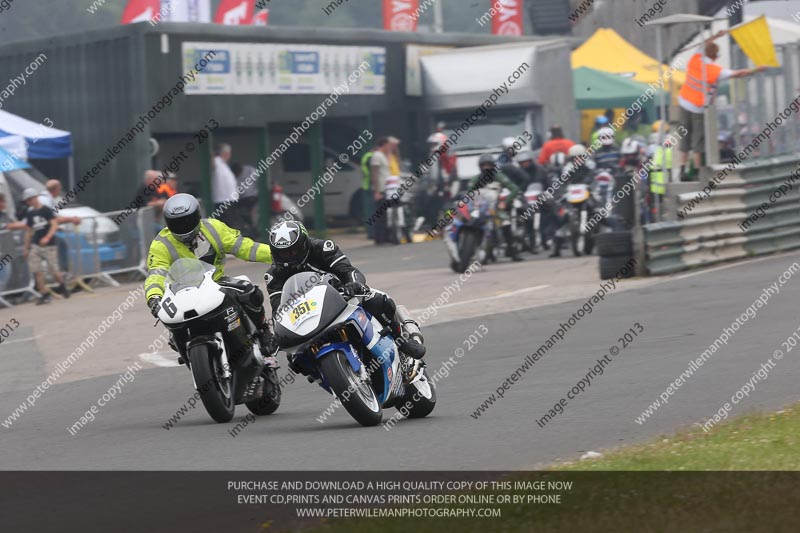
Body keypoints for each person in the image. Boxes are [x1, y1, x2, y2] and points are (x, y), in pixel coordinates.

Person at [265, 220, 426, 367]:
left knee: (379, 301)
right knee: (295, 359)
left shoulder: (322, 248)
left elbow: (348, 270)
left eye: (292, 252)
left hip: (341, 296)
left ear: (304, 245)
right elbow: (279, 308)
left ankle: (401, 341)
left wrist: (354, 285)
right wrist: (277, 335)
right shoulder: (273, 276)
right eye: (282, 253)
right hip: (307, 315)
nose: (287, 257)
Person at [144, 193, 275, 363]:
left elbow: (245, 247)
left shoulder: (213, 228)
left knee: (249, 291)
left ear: (198, 216)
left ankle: (263, 331)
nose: (183, 227)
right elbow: (156, 275)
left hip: (217, 282)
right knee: (171, 324)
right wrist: (154, 298)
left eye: (187, 221)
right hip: (181, 293)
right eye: (177, 223)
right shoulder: (161, 244)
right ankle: (185, 346)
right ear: (168, 223)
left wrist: (278, 253)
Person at [678, 34, 765, 179]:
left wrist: (716, 35)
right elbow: (739, 73)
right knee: (698, 142)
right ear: (715, 56)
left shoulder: (695, 58)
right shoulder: (716, 70)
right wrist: (757, 69)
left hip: (684, 102)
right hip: (698, 108)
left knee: (684, 139)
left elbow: (703, 44)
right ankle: (698, 173)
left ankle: (682, 170)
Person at [469, 154, 523, 262]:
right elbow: (469, 194)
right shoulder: (475, 179)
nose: (486, 168)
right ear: (480, 167)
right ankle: (478, 252)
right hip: (481, 209)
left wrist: (505, 202)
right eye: (484, 165)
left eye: (488, 165)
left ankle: (513, 252)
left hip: (496, 209)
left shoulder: (499, 176)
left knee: (506, 224)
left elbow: (514, 189)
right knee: (473, 225)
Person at [20, 188, 70, 305]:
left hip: (49, 245)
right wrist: (26, 248)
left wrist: (47, 237)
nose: (29, 202)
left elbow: (54, 225)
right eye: (27, 201)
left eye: (30, 199)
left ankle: (62, 286)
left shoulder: (46, 210)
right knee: (37, 270)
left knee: (54, 269)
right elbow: (28, 231)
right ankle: (44, 293)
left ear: (35, 197)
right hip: (35, 245)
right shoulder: (30, 213)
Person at [369, 137, 392, 244]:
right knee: (381, 216)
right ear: (384, 145)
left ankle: (384, 237)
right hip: (380, 189)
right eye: (388, 145)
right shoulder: (377, 156)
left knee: (385, 215)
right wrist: (377, 191)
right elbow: (374, 173)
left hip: (386, 189)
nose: (390, 147)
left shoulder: (383, 155)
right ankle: (380, 238)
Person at [212, 143, 241, 226]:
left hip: (229, 200)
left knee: (232, 224)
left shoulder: (223, 164)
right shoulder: (217, 161)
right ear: (225, 153)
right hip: (222, 201)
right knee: (227, 225)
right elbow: (211, 163)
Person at [230, 162, 259, 238]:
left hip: (254, 196)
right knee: (233, 208)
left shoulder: (250, 170)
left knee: (250, 212)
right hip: (242, 199)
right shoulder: (233, 176)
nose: (238, 176)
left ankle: (253, 228)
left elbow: (260, 181)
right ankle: (244, 227)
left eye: (238, 174)